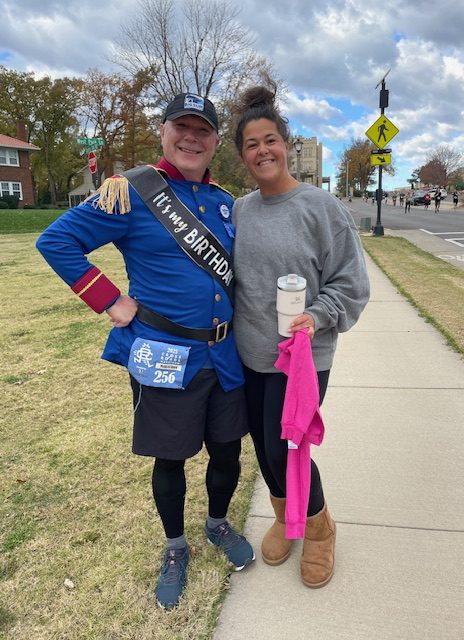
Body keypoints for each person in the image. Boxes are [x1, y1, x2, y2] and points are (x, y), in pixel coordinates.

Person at [36, 93, 254, 610]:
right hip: (165, 353)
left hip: (225, 354)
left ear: (216, 142)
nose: (191, 138)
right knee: (171, 456)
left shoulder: (224, 202)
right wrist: (110, 300)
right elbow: (56, 242)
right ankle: (176, 547)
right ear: (163, 132)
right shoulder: (128, 193)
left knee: (227, 450)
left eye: (203, 131)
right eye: (182, 127)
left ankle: (218, 524)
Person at [231, 85, 370, 588]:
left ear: (286, 144)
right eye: (251, 144)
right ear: (242, 155)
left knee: (288, 446)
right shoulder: (240, 211)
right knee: (265, 452)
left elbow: (352, 284)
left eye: (271, 139)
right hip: (249, 354)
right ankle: (285, 518)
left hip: (303, 358)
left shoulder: (321, 207)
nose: (262, 150)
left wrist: (318, 314)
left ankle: (319, 529)